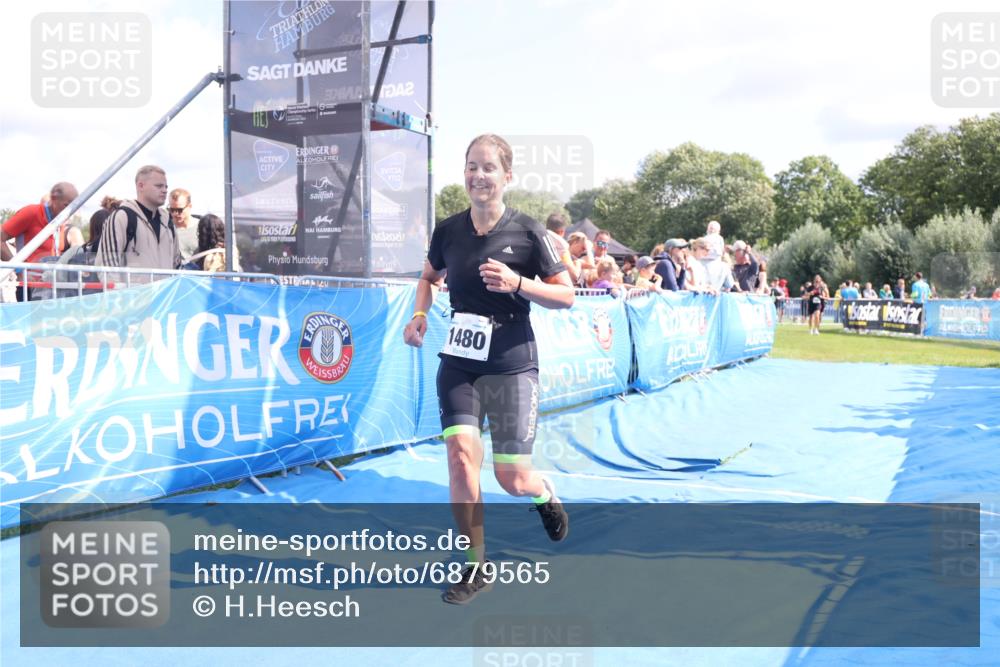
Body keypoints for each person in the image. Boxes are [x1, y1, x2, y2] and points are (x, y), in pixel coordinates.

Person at [402, 134, 574, 605]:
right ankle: (476, 565)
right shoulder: (448, 231)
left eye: (488, 168)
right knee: (460, 458)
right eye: (471, 167)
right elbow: (428, 279)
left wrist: (519, 282)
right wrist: (419, 315)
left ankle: (542, 493)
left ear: (507, 177)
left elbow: (566, 295)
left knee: (510, 478)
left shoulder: (530, 232)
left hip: (511, 364)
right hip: (460, 361)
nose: (479, 176)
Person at [96, 165, 180, 280]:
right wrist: (120, 296)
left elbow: (177, 264)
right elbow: (107, 267)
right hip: (134, 296)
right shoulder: (122, 217)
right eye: (159, 186)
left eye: (166, 186)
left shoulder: (168, 222)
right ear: (141, 186)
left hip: (166, 296)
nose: (165, 190)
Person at [1, 181, 79, 301]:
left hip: (52, 286)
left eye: (74, 207)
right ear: (54, 199)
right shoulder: (31, 213)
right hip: (29, 288)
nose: (70, 211)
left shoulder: (60, 221)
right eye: (66, 205)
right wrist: (19, 270)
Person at [168, 188, 200, 263]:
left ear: (190, 206)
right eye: (172, 210)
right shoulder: (166, 229)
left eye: (179, 210)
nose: (175, 214)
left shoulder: (203, 227)